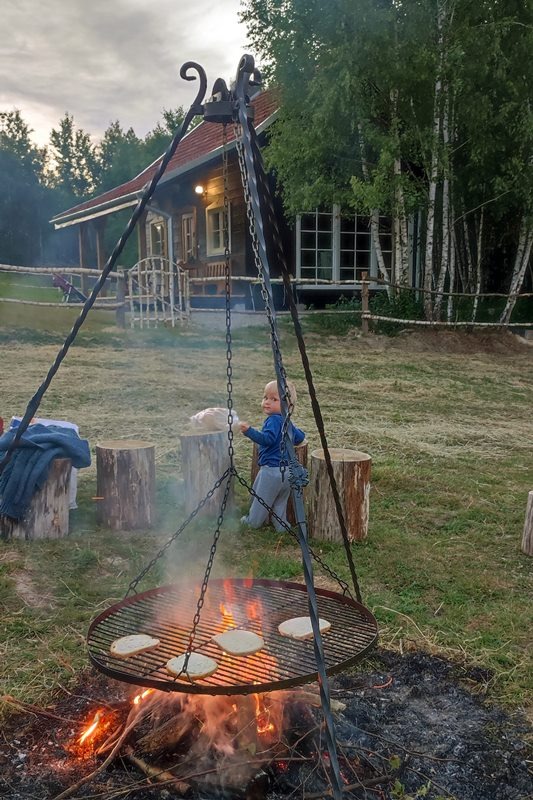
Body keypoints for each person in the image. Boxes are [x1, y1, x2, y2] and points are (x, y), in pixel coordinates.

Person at [239, 379, 305, 531]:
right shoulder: (286, 421)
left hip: (271, 471)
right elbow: (300, 437)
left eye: (274, 399)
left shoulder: (273, 421)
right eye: (265, 397)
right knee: (280, 503)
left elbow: (267, 439)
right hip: (288, 471)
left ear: (287, 405)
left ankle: (252, 522)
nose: (267, 402)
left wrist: (249, 431)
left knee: (260, 500)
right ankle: (282, 526)